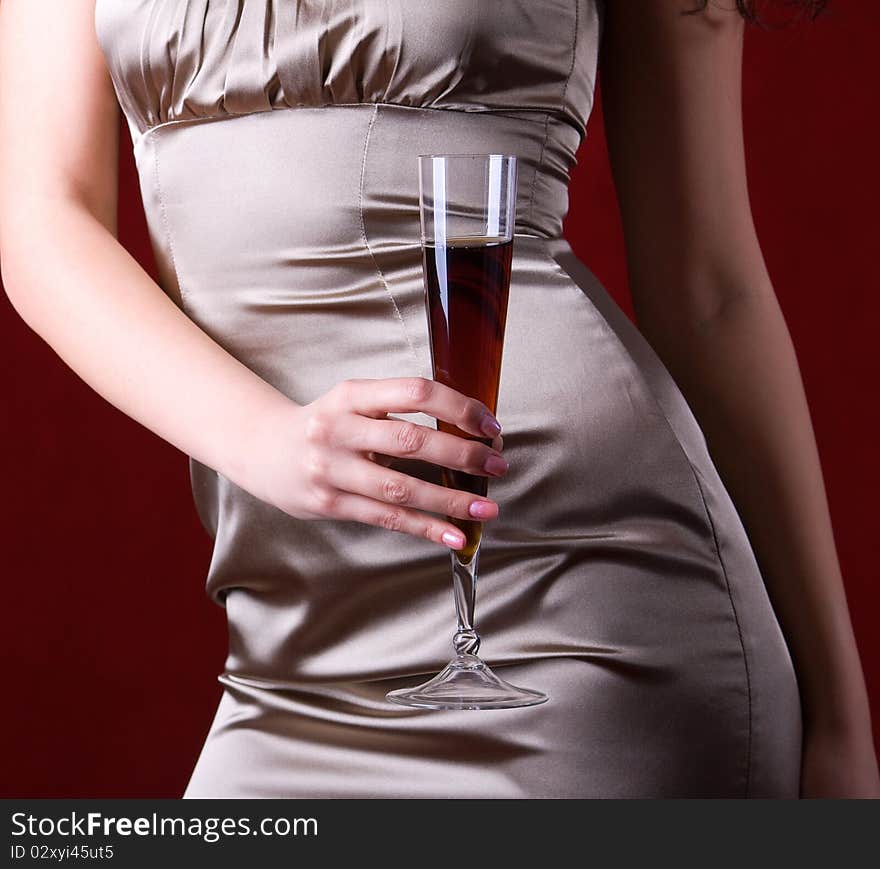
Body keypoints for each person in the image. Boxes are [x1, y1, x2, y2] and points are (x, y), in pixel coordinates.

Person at [1, 0, 876, 799]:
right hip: (289, 638)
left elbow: (709, 290)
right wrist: (264, 438)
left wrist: (840, 720)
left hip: (570, 615)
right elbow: (43, 217)